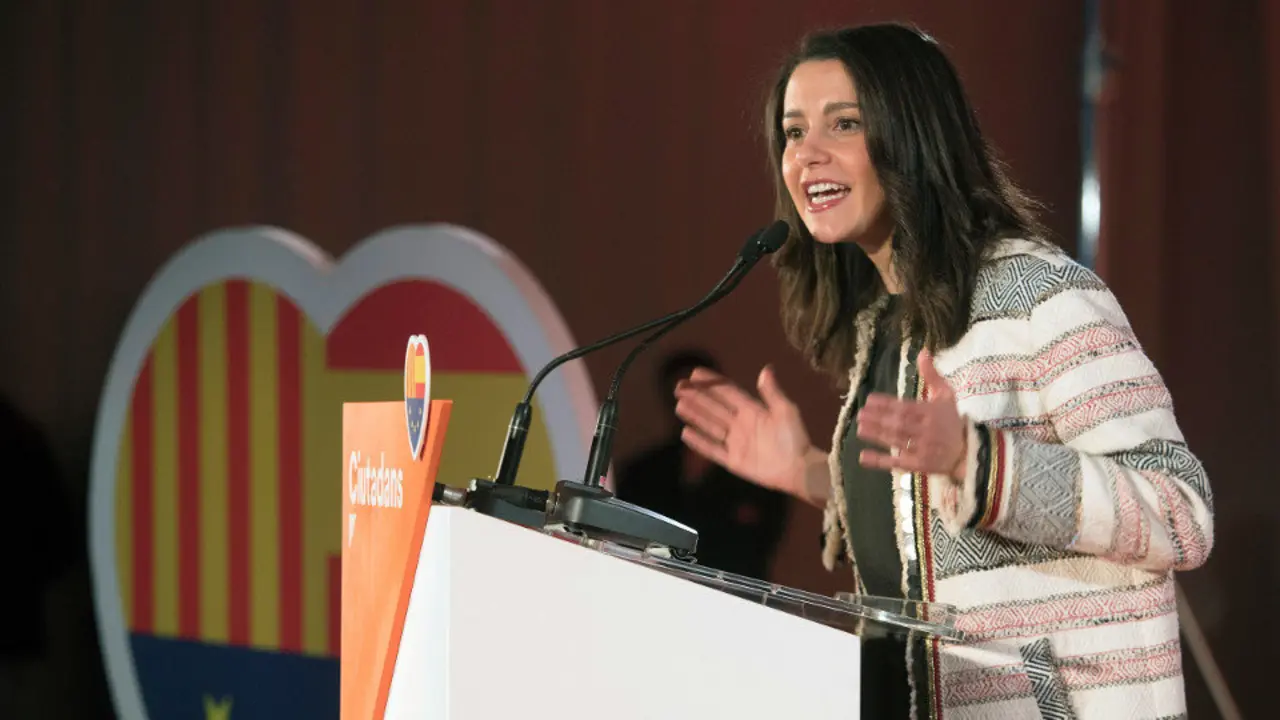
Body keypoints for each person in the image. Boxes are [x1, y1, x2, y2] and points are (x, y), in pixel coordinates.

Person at [672, 23, 1212, 720]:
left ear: (913, 136)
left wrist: (980, 460)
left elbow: (1182, 512)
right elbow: (928, 529)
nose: (808, 156)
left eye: (844, 124)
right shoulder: (884, 323)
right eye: (793, 132)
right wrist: (806, 470)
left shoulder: (1036, 292)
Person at [614, 349, 789, 580]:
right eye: (678, 394)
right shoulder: (643, 472)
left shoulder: (758, 473)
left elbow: (762, 543)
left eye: (699, 392)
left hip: (735, 599)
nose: (690, 404)